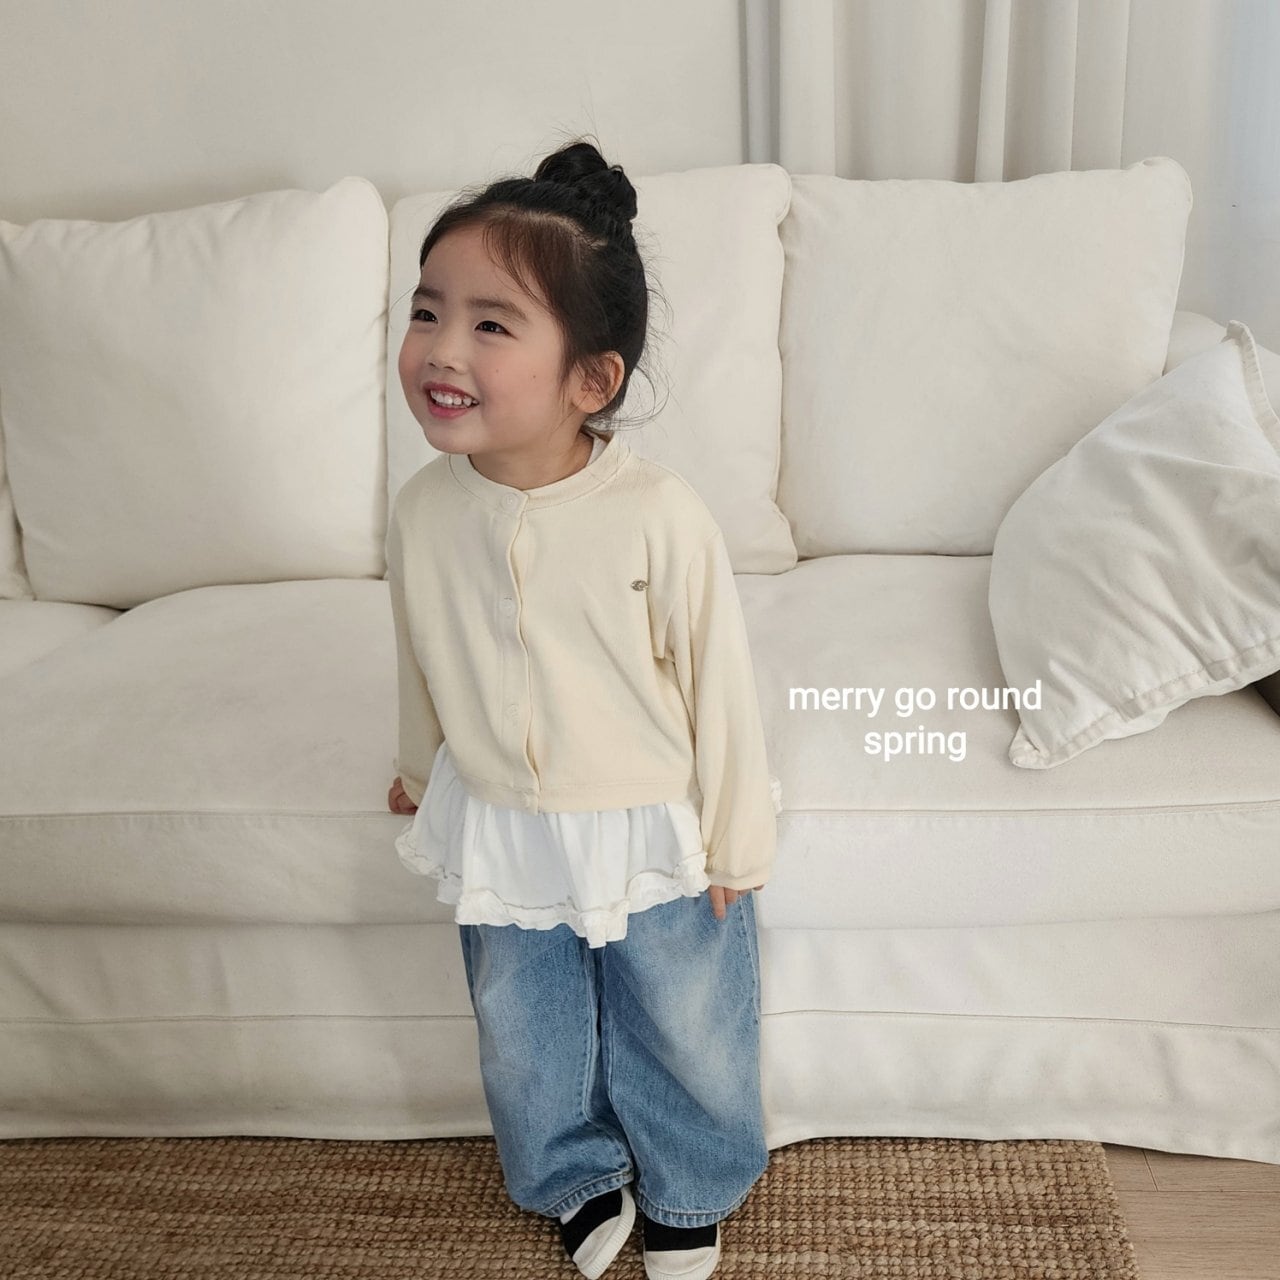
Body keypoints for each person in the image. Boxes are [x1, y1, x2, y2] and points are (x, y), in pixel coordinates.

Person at [384, 134, 781, 1280]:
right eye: (426, 311)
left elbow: (717, 681)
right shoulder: (422, 509)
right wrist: (416, 762)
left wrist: (736, 836)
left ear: (590, 380)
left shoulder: (659, 514)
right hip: (500, 813)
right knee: (524, 1030)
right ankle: (569, 1171)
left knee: (682, 1016)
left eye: (490, 324)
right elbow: (418, 647)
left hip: (648, 814)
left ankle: (692, 1180)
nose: (440, 348)